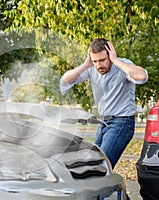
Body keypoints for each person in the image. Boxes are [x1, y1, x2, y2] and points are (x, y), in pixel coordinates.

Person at [60, 38, 148, 169]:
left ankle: (116, 189)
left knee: (100, 168)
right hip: (103, 123)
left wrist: (116, 61)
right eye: (95, 61)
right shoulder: (92, 68)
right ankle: (114, 190)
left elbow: (142, 76)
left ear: (110, 55)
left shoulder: (123, 65)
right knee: (92, 165)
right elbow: (65, 81)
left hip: (122, 123)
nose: (99, 65)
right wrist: (86, 64)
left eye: (102, 60)